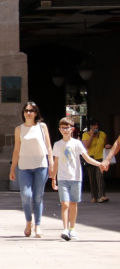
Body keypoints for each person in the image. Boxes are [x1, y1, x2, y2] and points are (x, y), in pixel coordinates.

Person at [52, 117, 103, 241]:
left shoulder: (77, 143)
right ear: (59, 129)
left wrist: (99, 164)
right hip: (63, 178)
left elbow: (86, 158)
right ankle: (65, 228)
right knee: (65, 204)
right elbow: (56, 162)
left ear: (72, 129)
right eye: (63, 128)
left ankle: (72, 228)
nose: (65, 130)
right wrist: (53, 178)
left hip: (76, 177)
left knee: (73, 203)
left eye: (67, 128)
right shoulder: (57, 144)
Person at [9, 102, 54, 238]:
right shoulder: (19, 129)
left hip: (41, 165)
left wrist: (51, 164)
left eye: (31, 111)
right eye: (26, 111)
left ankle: (38, 225)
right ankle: (28, 222)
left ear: (36, 113)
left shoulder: (42, 126)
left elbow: (49, 147)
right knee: (26, 195)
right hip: (24, 167)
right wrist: (12, 168)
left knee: (38, 196)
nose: (28, 113)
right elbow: (16, 150)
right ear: (23, 113)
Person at [81, 118, 111, 203]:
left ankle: (101, 196)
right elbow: (86, 146)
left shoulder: (102, 134)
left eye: (97, 125)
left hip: (100, 158)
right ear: (90, 127)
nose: (96, 127)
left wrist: (107, 146)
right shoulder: (85, 135)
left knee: (99, 177)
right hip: (90, 159)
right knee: (92, 178)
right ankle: (94, 197)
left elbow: (105, 144)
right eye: (94, 125)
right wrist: (91, 136)